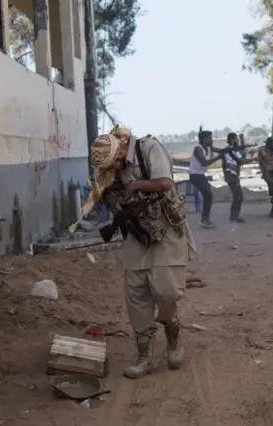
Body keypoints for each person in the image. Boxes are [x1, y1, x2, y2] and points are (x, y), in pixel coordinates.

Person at [83, 125, 197, 380]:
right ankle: (145, 357)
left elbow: (166, 182)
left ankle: (173, 333)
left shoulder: (149, 149)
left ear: (121, 150)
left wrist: (135, 186)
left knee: (166, 292)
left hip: (166, 229)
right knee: (135, 294)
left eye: (116, 163)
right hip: (136, 235)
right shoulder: (108, 166)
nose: (112, 168)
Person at [188, 127, 222, 228]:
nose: (211, 140)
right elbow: (204, 163)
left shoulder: (208, 147)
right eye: (209, 138)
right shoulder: (198, 148)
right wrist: (218, 157)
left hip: (200, 175)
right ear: (203, 140)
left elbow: (220, 150)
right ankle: (204, 219)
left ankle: (205, 219)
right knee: (208, 194)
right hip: (194, 175)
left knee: (208, 195)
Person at [222, 132, 258, 223]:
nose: (237, 140)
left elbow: (241, 156)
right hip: (231, 175)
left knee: (237, 196)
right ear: (232, 140)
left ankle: (234, 217)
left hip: (233, 175)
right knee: (238, 196)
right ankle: (234, 217)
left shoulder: (233, 150)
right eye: (236, 139)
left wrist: (243, 143)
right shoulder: (229, 150)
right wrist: (253, 159)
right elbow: (241, 160)